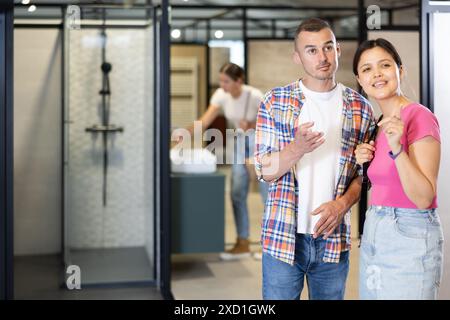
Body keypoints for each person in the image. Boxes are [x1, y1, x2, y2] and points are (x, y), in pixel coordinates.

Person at [254, 18, 376, 300]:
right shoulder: (275, 101)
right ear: (297, 57)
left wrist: (342, 205)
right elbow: (264, 170)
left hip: (333, 239)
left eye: (328, 47)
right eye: (311, 50)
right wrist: (296, 148)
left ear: (338, 50)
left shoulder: (360, 107)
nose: (322, 57)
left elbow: (364, 175)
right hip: (283, 237)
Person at [354, 38, 443, 300]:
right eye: (367, 69)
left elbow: (424, 197)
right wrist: (365, 160)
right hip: (375, 229)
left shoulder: (419, 116)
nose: (377, 74)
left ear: (400, 71)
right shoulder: (379, 123)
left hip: (409, 233)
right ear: (359, 80)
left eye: (385, 65)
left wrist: (397, 150)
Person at [176, 62, 269, 260]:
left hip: (260, 140)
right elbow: (206, 120)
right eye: (221, 80)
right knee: (236, 192)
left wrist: (252, 124)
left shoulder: (254, 95)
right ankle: (242, 243)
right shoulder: (221, 95)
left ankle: (269, 246)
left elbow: (271, 122)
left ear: (239, 81)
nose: (222, 85)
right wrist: (184, 134)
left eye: (226, 81)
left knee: (267, 195)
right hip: (238, 139)